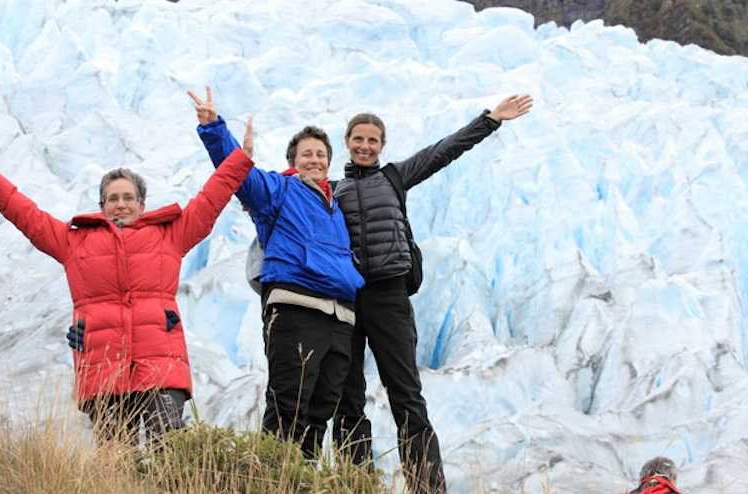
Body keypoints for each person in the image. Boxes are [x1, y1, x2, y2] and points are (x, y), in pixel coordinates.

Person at [0, 136, 254, 446]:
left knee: (167, 445)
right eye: (113, 198)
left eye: (128, 197)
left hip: (160, 360)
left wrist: (238, 161)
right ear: (102, 206)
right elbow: (28, 216)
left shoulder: (170, 236)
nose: (121, 204)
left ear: (142, 204)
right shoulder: (74, 243)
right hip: (103, 364)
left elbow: (209, 201)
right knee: (116, 453)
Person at [331, 94, 534, 493]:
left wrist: (490, 119)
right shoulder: (330, 191)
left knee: (406, 396)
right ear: (347, 141)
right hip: (348, 300)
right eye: (358, 139)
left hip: (389, 297)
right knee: (346, 397)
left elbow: (444, 151)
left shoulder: (394, 177)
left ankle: (427, 487)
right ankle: (356, 483)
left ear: (382, 145)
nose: (365, 146)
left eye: (373, 140)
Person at [189, 86, 365, 458]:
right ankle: (273, 479)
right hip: (297, 307)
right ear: (294, 160)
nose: (314, 159)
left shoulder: (336, 207)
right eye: (307, 154)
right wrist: (215, 129)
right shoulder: (278, 189)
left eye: (320, 154)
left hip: (340, 318)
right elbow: (240, 176)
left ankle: (300, 478)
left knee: (321, 410)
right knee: (289, 405)